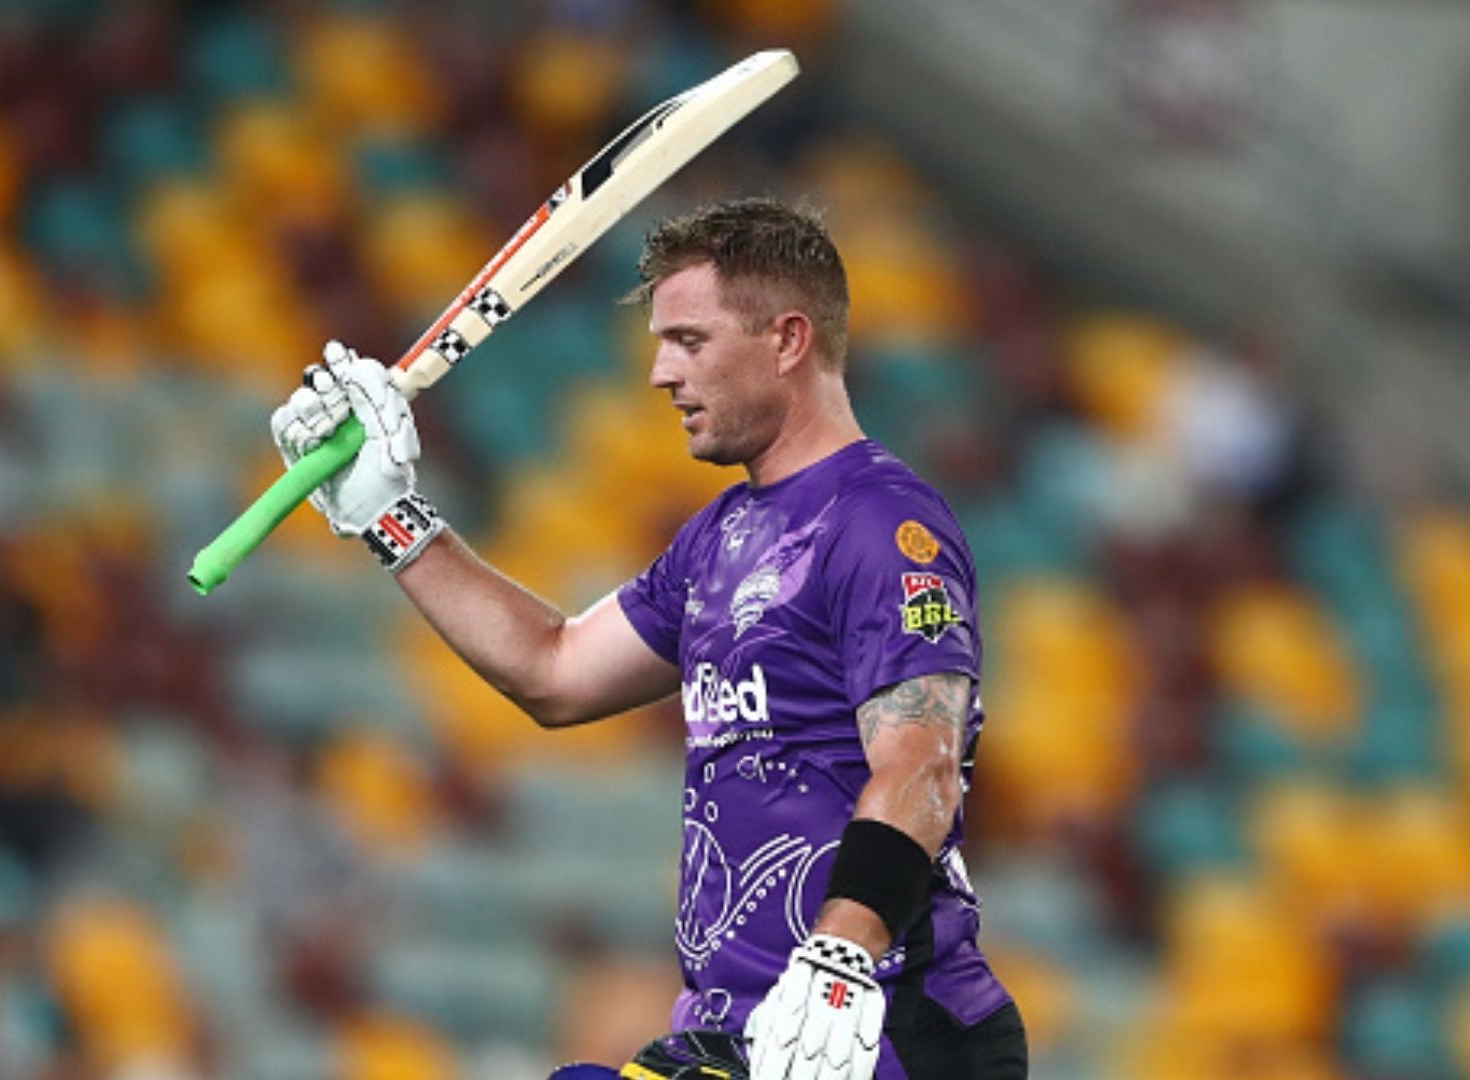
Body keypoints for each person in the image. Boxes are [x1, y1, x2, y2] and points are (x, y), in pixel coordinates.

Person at [271, 198, 1027, 1079]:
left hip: (876, 1031)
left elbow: (922, 764)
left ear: (788, 340)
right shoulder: (719, 538)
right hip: (742, 1034)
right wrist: (391, 518)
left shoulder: (880, 523)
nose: (662, 373)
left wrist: (839, 958)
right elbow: (554, 669)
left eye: (690, 341)